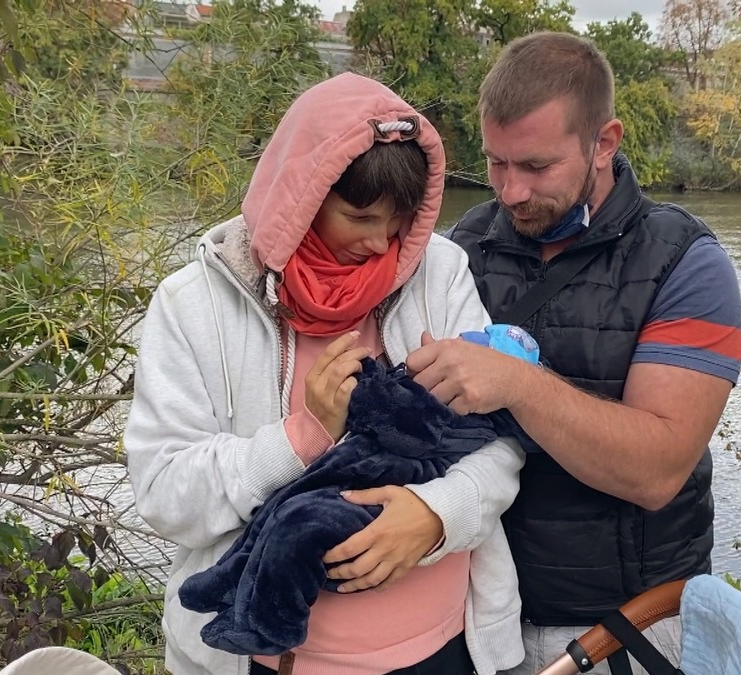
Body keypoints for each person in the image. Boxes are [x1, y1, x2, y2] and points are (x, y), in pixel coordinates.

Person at [123, 72, 524, 675]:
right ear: (301, 197)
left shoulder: (440, 272)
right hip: (269, 660)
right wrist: (301, 437)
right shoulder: (192, 306)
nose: (380, 242)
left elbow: (499, 437)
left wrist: (439, 513)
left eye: (398, 219)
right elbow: (164, 495)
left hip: (446, 649)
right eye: (359, 216)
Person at [406, 32, 741, 675]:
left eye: (535, 167)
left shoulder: (687, 264)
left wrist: (520, 383)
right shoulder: (458, 249)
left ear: (604, 143)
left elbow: (658, 471)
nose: (509, 191)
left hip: (623, 629)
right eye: (495, 163)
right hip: (474, 615)